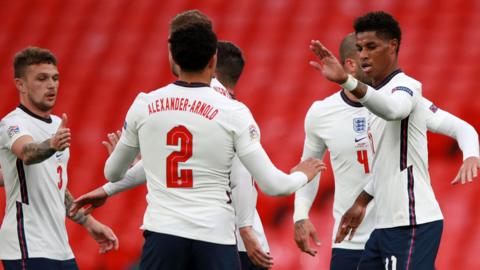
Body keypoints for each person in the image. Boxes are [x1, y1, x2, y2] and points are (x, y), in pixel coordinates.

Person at [103, 17, 324, 270]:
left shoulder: (144, 104)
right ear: (213, 60)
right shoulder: (233, 112)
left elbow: (112, 173)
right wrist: (301, 176)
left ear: (173, 58)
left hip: (163, 235)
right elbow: (273, 186)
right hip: (213, 237)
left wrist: (131, 164)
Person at [70, 40, 274, 269]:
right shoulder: (233, 116)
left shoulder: (213, 112)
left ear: (209, 66)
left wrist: (111, 186)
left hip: (220, 238)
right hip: (230, 239)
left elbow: (241, 178)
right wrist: (109, 188)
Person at [293, 33, 480, 270]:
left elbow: (461, 128)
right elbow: (309, 167)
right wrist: (300, 214)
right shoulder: (321, 113)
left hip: (398, 231)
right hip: (350, 241)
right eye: (367, 58)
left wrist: (471, 154)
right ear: (351, 65)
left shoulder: (399, 103)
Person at [0, 47, 119, 270]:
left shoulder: (56, 125)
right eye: (41, 79)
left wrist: (89, 223)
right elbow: (27, 152)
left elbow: (55, 186)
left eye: (55, 78)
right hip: (27, 246)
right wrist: (51, 144)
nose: (51, 84)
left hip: (60, 248)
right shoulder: (13, 123)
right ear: (20, 84)